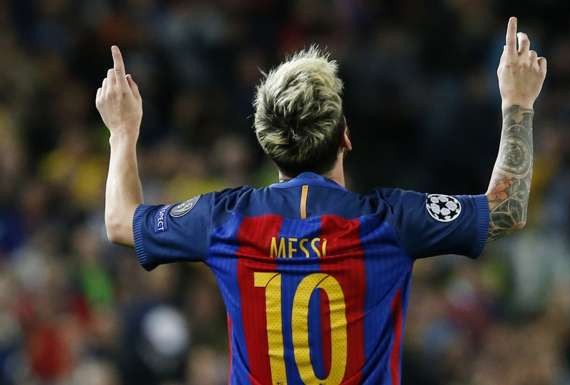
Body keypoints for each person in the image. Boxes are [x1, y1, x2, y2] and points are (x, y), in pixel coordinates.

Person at [95, 16, 546, 385]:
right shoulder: (389, 222)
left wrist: (122, 132)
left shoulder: (225, 220)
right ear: (345, 137)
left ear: (267, 146)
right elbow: (507, 209)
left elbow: (120, 222)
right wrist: (518, 102)